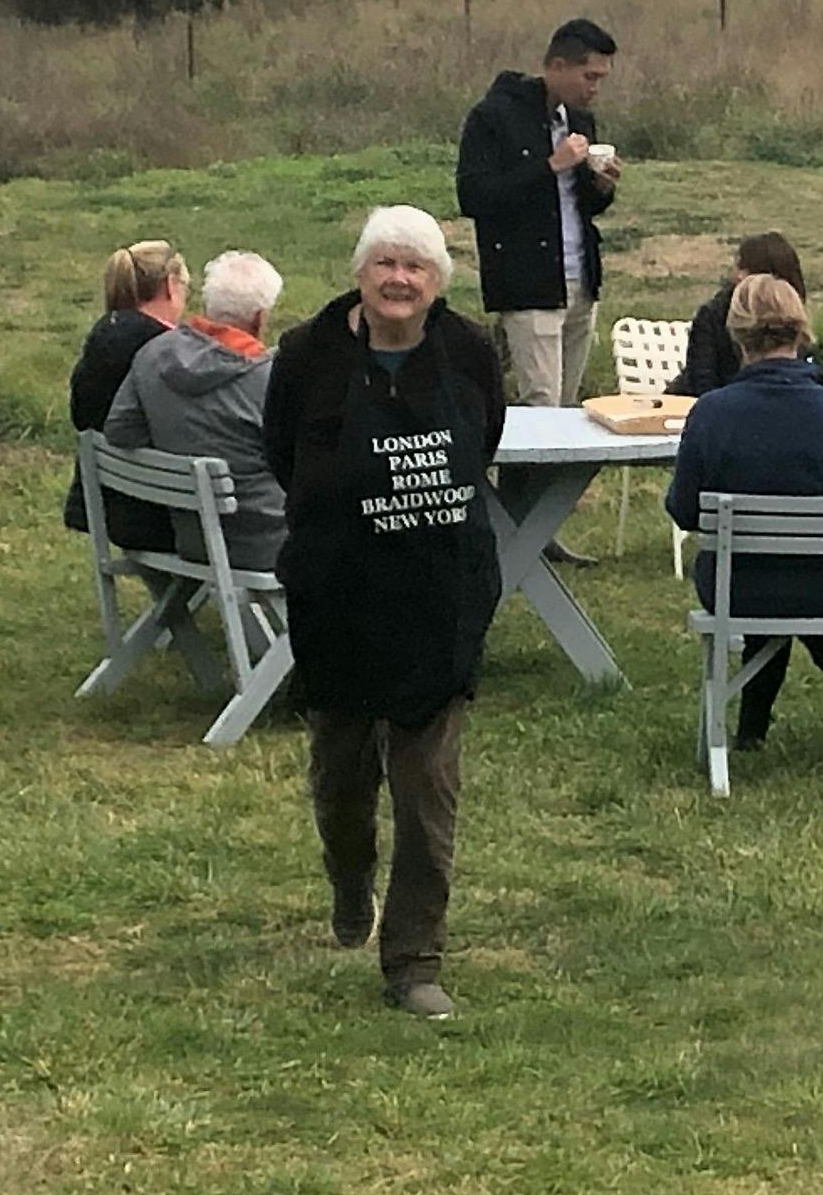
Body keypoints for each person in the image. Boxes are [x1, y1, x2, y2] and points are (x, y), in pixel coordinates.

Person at [265, 206, 508, 1021]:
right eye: (385, 265)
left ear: (437, 281)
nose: (399, 279)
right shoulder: (308, 354)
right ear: (359, 274)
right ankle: (348, 874)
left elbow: (487, 443)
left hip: (439, 599)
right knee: (341, 779)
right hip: (336, 597)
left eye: (416, 267)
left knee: (427, 792)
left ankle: (414, 959)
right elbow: (279, 452)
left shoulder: (469, 352)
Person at [665, 270, 823, 750]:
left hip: (735, 588)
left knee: (761, 575)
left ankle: (747, 732)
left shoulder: (712, 412)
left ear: (737, 334)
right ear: (801, 330)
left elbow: (683, 510)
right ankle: (753, 726)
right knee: (786, 575)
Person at [455, 17, 619, 412]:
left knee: (569, 408)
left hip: (581, 279)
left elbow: (579, 206)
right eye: (589, 76)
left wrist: (602, 187)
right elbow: (473, 197)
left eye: (601, 79)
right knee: (542, 405)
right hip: (529, 280)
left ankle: (559, 477)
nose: (594, 88)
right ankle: (521, 475)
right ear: (557, 67)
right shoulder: (494, 118)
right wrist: (549, 166)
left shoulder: (580, 121)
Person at [113, 251, 291, 574]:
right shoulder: (269, 382)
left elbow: (120, 431)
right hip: (266, 545)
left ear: (208, 306)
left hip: (193, 539)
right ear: (260, 318)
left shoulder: (152, 354)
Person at [64, 242, 184, 541]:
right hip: (166, 513)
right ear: (170, 286)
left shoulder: (103, 339)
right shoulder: (167, 353)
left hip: (107, 503)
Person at [681, 232, 808, 397]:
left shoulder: (791, 316)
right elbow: (702, 381)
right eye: (739, 267)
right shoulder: (713, 315)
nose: (739, 276)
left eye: (748, 270)